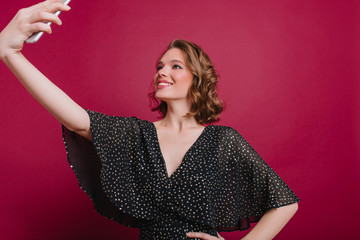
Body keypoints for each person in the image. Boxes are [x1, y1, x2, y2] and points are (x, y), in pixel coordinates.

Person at [0, 0, 300, 239]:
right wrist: (11, 53)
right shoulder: (136, 134)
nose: (161, 72)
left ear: (198, 79)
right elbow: (78, 120)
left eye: (175, 65)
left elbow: (285, 202)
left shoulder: (223, 141)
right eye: (159, 65)